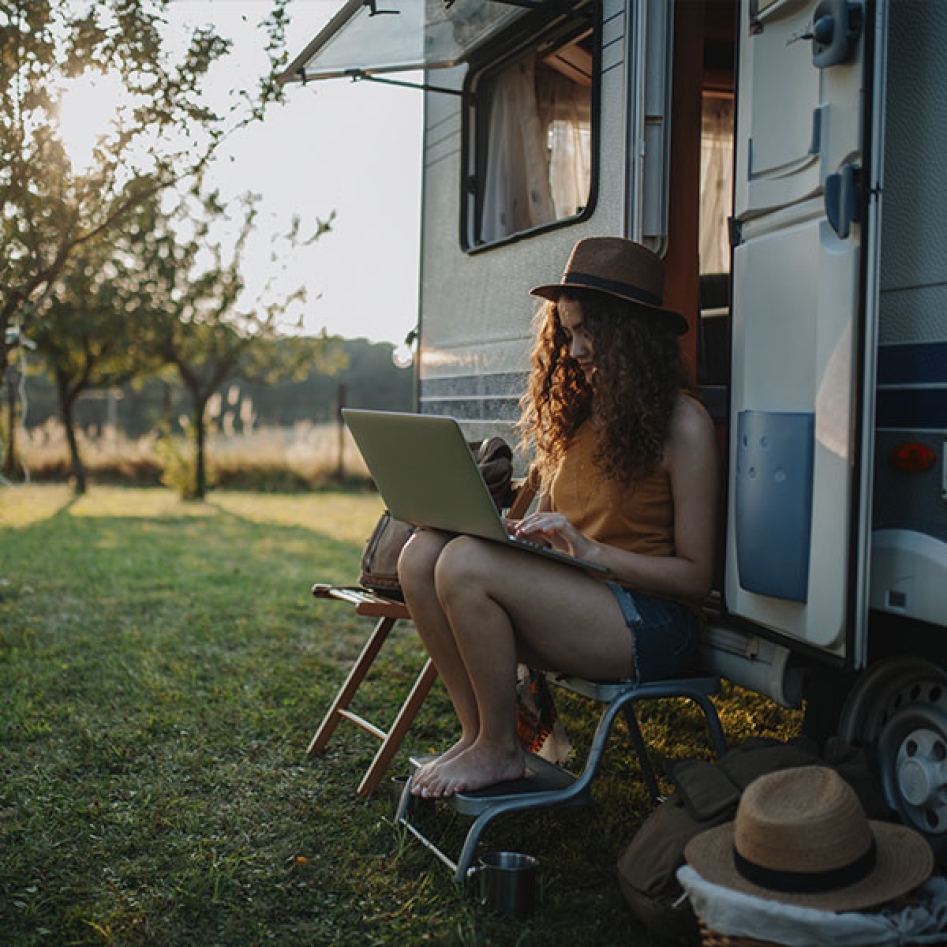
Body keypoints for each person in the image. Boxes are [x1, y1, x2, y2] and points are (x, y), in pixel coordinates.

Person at [397, 236, 719, 799]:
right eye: (567, 334)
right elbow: (551, 525)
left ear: (632, 336)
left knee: (466, 565)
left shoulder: (683, 423)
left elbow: (695, 576)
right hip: (582, 599)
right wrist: (524, 538)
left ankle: (502, 747)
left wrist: (592, 553)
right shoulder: (579, 417)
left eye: (589, 333)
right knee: (423, 552)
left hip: (652, 623)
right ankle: (479, 736)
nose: (575, 350)